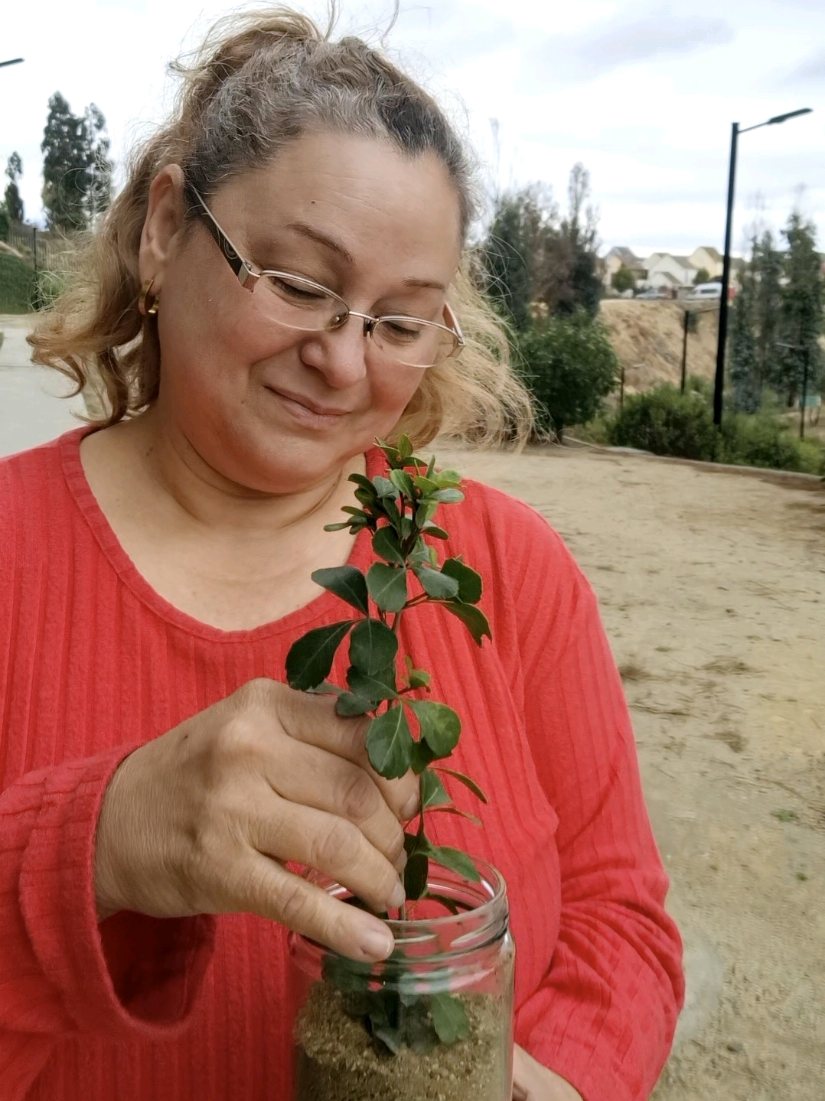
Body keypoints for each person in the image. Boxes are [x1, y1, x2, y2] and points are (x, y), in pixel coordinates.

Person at [0, 9, 684, 1100]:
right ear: (166, 230)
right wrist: (96, 848)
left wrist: (559, 1077)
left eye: (401, 322)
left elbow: (621, 922)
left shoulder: (511, 571)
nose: (342, 362)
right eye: (300, 284)